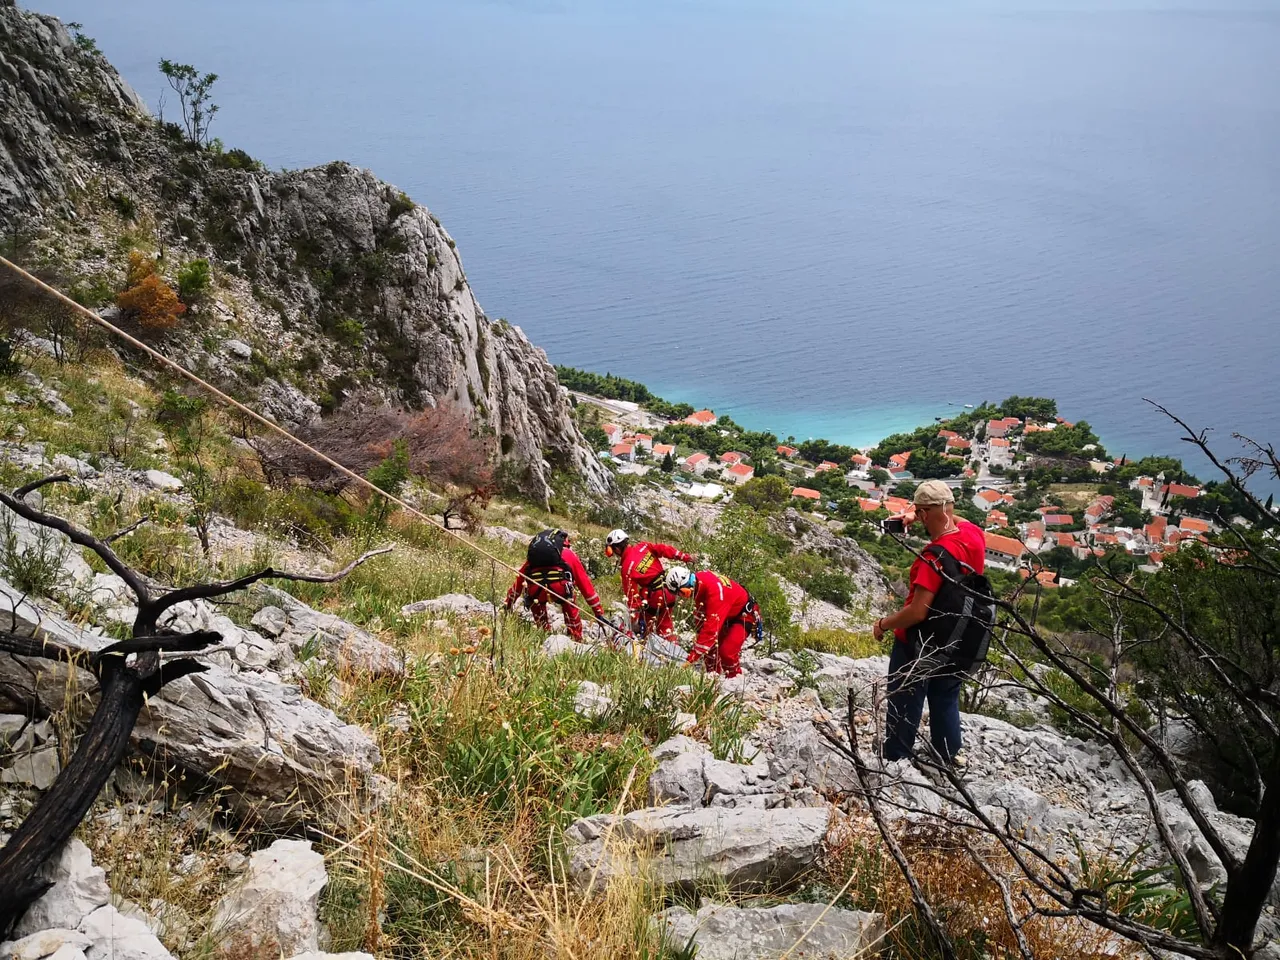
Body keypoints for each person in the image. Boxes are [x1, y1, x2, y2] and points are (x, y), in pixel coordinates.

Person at [872, 479, 986, 764]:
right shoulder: (973, 536)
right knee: (945, 695)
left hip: (920, 641)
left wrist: (884, 624)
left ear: (924, 514)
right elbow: (955, 518)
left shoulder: (933, 558)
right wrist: (917, 513)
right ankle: (946, 755)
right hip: (958, 635)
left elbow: (917, 612)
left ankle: (897, 756)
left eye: (920, 514)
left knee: (905, 694)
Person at [504, 529, 606, 641]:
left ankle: (543, 633)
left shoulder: (534, 557)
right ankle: (575, 636)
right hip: (560, 589)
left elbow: (519, 582)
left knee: (535, 599)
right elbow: (586, 587)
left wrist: (507, 605)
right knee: (569, 599)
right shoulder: (568, 554)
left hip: (536, 592)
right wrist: (598, 612)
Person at [665, 566, 758, 679]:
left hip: (744, 615)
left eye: (684, 594)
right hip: (727, 613)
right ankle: (713, 679)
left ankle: (735, 681)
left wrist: (692, 657)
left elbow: (711, 629)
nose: (685, 598)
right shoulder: (700, 582)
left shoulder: (715, 592)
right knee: (709, 650)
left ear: (687, 587)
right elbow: (702, 612)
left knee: (727, 652)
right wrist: (699, 635)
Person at [604, 529, 693, 643]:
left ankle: (648, 649)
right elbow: (663, 549)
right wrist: (684, 557)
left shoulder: (627, 567)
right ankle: (672, 648)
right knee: (666, 625)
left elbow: (631, 595)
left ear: (616, 548)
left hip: (654, 597)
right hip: (669, 591)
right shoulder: (643, 546)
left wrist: (634, 616)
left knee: (647, 627)